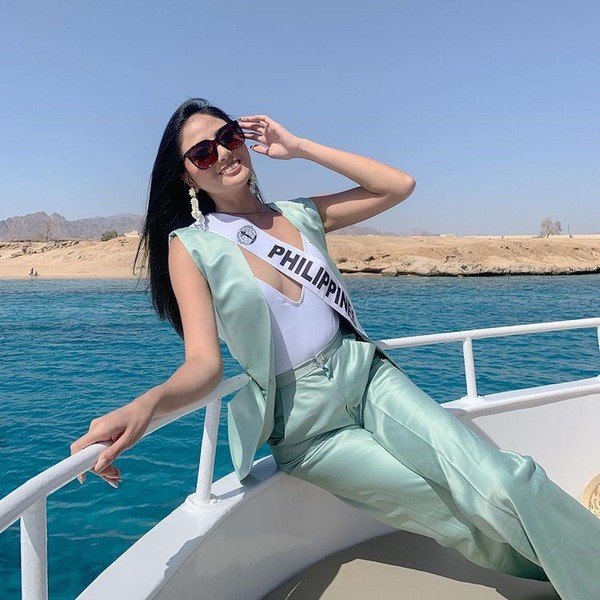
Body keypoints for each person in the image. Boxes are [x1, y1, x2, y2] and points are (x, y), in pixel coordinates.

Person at [70, 98, 600, 598]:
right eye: (203, 153)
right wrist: (145, 406)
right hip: (306, 427)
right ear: (188, 176)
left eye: (229, 136)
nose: (224, 153)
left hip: (365, 377)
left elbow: (397, 185)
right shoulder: (192, 247)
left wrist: (299, 147)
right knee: (459, 522)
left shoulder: (300, 215)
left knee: (502, 482)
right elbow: (205, 366)